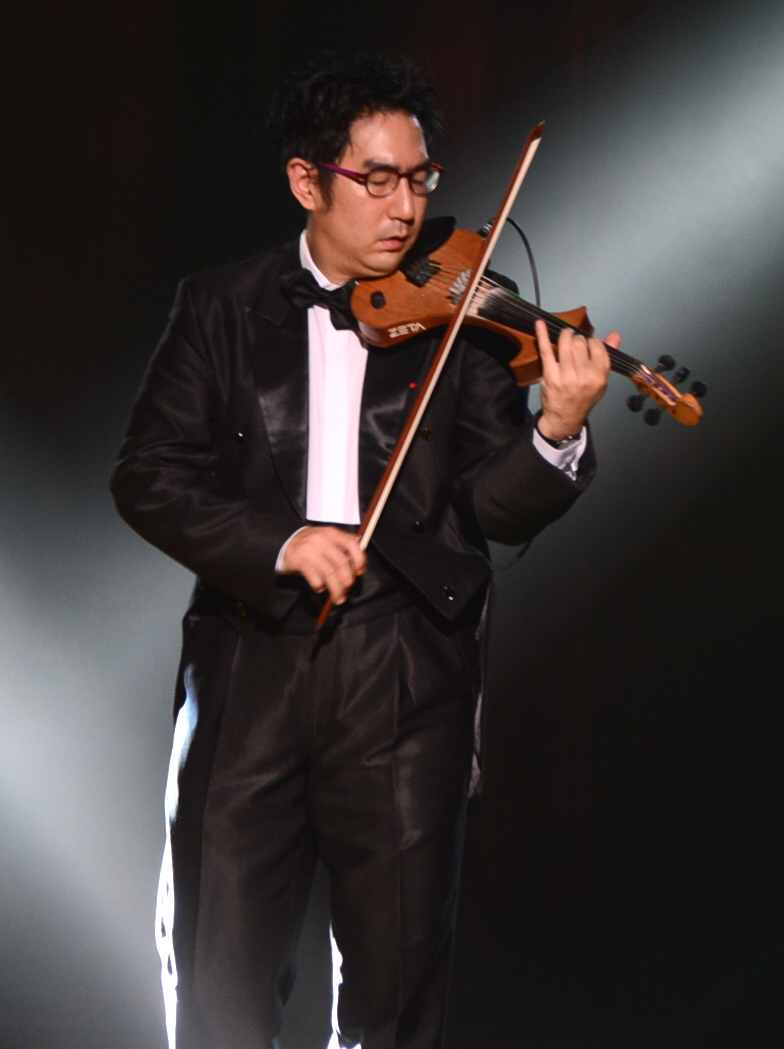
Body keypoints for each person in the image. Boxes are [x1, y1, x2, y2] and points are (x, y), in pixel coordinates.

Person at [112, 53, 611, 1049]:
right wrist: (281, 541)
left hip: (405, 671)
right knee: (218, 978)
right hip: (249, 666)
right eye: (377, 179)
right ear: (308, 180)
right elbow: (148, 477)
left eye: (421, 178)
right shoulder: (219, 306)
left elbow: (494, 507)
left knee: (396, 988)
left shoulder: (463, 314)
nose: (406, 207)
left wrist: (556, 429)